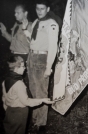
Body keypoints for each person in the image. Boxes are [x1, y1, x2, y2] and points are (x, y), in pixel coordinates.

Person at [22, 0, 59, 132]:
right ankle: (35, 119)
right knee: (32, 89)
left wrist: (49, 67)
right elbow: (33, 41)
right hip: (32, 57)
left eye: (42, 9)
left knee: (41, 90)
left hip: (42, 59)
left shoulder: (52, 24)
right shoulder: (37, 22)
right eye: (37, 8)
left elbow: (53, 47)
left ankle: (41, 124)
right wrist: (26, 31)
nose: (39, 11)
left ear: (48, 9)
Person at [2, 55, 54, 134]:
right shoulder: (19, 84)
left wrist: (7, 110)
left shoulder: (5, 80)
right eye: (23, 66)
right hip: (19, 114)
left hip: (9, 112)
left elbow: (4, 98)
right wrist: (43, 100)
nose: (25, 68)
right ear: (16, 68)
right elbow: (26, 102)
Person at [0, 4, 32, 89]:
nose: (15, 15)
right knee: (14, 83)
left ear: (25, 13)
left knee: (24, 83)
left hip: (23, 57)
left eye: (18, 13)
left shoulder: (30, 26)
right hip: (14, 56)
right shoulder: (16, 26)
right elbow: (13, 41)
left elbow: (33, 43)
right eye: (15, 13)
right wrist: (4, 32)